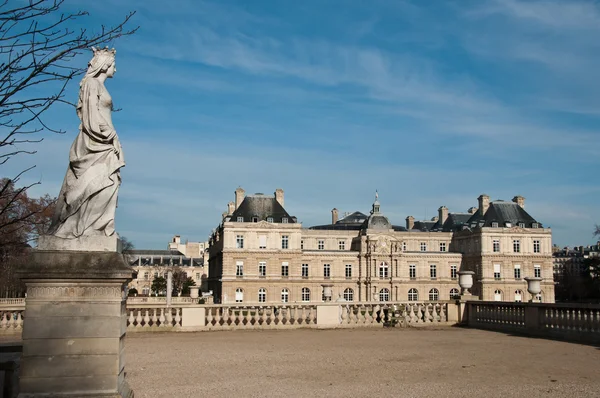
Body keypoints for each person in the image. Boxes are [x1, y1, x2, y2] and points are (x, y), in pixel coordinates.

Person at [48, 47, 125, 238]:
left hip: (103, 142)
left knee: (108, 183)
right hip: (95, 142)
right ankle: (80, 228)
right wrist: (110, 135)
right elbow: (91, 117)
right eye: (113, 65)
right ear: (104, 65)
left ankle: (94, 227)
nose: (115, 69)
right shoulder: (91, 84)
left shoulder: (99, 86)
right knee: (99, 183)